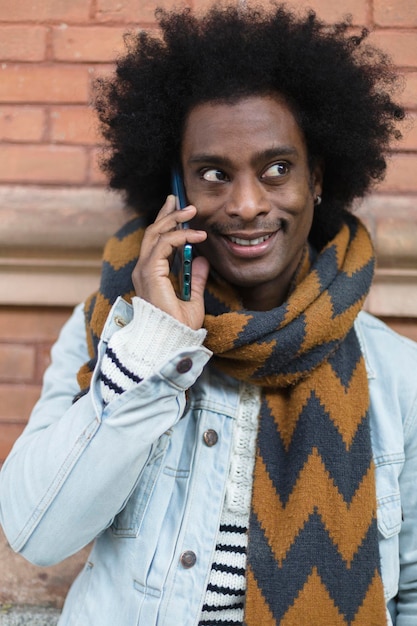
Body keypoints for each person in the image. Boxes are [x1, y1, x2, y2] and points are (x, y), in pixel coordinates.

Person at [0, 4, 416, 625]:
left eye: (277, 169)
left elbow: (409, 588)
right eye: (214, 174)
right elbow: (37, 533)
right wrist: (153, 344)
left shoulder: (398, 373)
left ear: (318, 177)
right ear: (177, 188)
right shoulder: (112, 331)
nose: (247, 205)